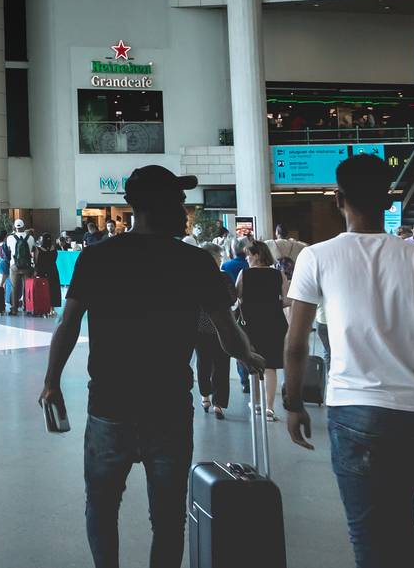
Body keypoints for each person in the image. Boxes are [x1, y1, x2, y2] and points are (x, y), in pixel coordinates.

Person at [40, 166, 263, 568]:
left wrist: (52, 381)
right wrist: (247, 355)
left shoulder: (98, 257)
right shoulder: (194, 263)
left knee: (102, 506)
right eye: (178, 202)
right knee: (168, 517)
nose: (184, 210)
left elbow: (68, 323)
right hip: (168, 409)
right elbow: (226, 329)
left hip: (109, 406)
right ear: (154, 206)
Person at [281, 154, 414, 568]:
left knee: (367, 532)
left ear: (338, 199)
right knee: (402, 522)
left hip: (353, 411)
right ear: (388, 200)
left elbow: (295, 344)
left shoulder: (316, 258)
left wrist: (293, 404)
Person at [235, 240, 288, 422]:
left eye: (249, 254)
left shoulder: (245, 274)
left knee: (253, 363)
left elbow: (237, 297)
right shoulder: (278, 274)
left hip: (251, 323)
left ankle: (256, 403)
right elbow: (288, 300)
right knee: (271, 365)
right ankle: (270, 408)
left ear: (257, 255)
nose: (247, 258)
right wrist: (272, 304)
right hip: (274, 322)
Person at [194, 242, 234, 419]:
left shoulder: (194, 278)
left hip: (201, 328)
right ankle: (218, 403)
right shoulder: (223, 278)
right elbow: (231, 299)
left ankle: (206, 397)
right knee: (221, 365)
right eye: (218, 257)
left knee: (204, 362)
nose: (220, 260)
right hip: (222, 328)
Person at [9, 219, 35, 314]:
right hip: (27, 266)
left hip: (14, 266)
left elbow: (8, 251)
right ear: (24, 227)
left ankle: (14, 308)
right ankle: (27, 308)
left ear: (15, 227)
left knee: (14, 287)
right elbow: (32, 250)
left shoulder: (10, 238)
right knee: (27, 287)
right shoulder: (31, 238)